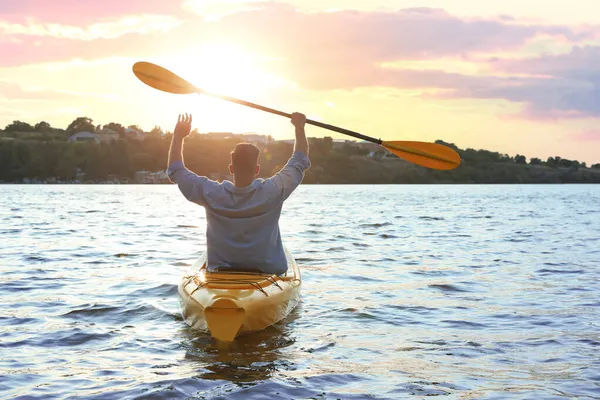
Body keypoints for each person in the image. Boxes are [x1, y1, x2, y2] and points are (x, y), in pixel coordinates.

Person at [167, 112, 310, 275]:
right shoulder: (273, 191)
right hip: (267, 273)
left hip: (221, 273)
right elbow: (299, 161)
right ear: (257, 170)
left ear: (231, 168)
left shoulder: (211, 193)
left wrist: (178, 136)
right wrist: (299, 127)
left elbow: (175, 170)